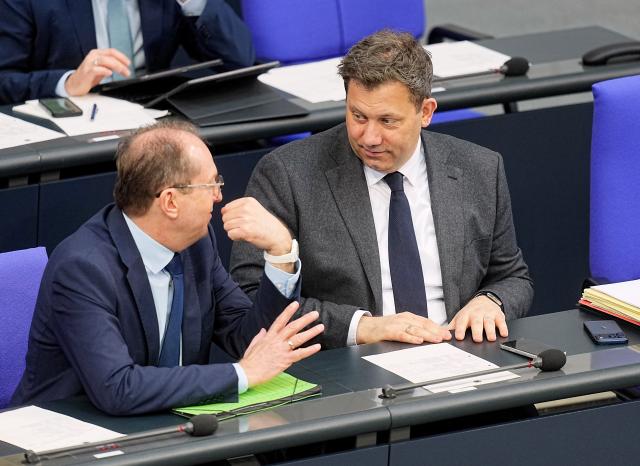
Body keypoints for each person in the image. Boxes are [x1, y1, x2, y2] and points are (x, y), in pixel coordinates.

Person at [230, 30, 533, 350]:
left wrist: (491, 300)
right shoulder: (288, 174)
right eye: (358, 116)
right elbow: (252, 301)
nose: (369, 137)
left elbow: (512, 276)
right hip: (353, 364)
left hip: (458, 348)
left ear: (426, 112)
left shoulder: (479, 168)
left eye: (387, 121)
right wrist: (361, 327)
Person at [11, 119, 323, 415]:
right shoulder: (82, 268)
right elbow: (117, 388)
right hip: (71, 438)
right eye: (211, 184)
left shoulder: (197, 244)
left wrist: (280, 252)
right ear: (170, 201)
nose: (219, 196)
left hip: (169, 423)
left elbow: (248, 338)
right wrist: (242, 374)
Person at [0, 0, 255, 104]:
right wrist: (67, 83)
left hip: (153, 120)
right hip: (72, 129)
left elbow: (239, 59)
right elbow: (4, 80)